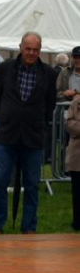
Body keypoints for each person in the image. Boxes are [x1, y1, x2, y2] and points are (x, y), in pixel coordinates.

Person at [0, 32, 56, 234]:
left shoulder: (49, 73)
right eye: (28, 49)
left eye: (35, 49)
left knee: (32, 185)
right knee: (0, 181)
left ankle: (28, 227)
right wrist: (7, 116)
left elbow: (50, 104)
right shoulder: (6, 68)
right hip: (7, 134)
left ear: (40, 50)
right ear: (20, 47)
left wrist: (39, 124)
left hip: (33, 136)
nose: (31, 53)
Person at [64, 94, 80, 231]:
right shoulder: (76, 103)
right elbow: (69, 124)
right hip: (77, 156)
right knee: (77, 191)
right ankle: (77, 222)